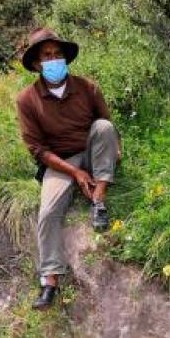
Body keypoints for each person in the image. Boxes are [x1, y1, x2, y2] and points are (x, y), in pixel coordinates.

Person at [15, 26, 120, 310]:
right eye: (47, 56)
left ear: (65, 58)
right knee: (48, 212)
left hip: (90, 149)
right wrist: (74, 172)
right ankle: (49, 280)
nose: (53, 60)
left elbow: (107, 126)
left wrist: (110, 153)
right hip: (60, 162)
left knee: (104, 127)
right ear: (37, 64)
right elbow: (37, 150)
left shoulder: (87, 87)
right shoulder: (27, 100)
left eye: (57, 54)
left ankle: (98, 200)